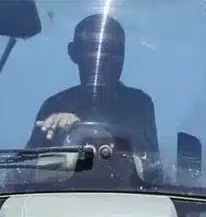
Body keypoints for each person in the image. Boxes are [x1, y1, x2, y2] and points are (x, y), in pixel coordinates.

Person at [25, 11, 159, 157]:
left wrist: (80, 129)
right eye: (96, 48)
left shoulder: (137, 104)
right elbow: (25, 171)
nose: (106, 57)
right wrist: (57, 136)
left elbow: (149, 162)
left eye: (115, 50)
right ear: (73, 52)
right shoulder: (54, 106)